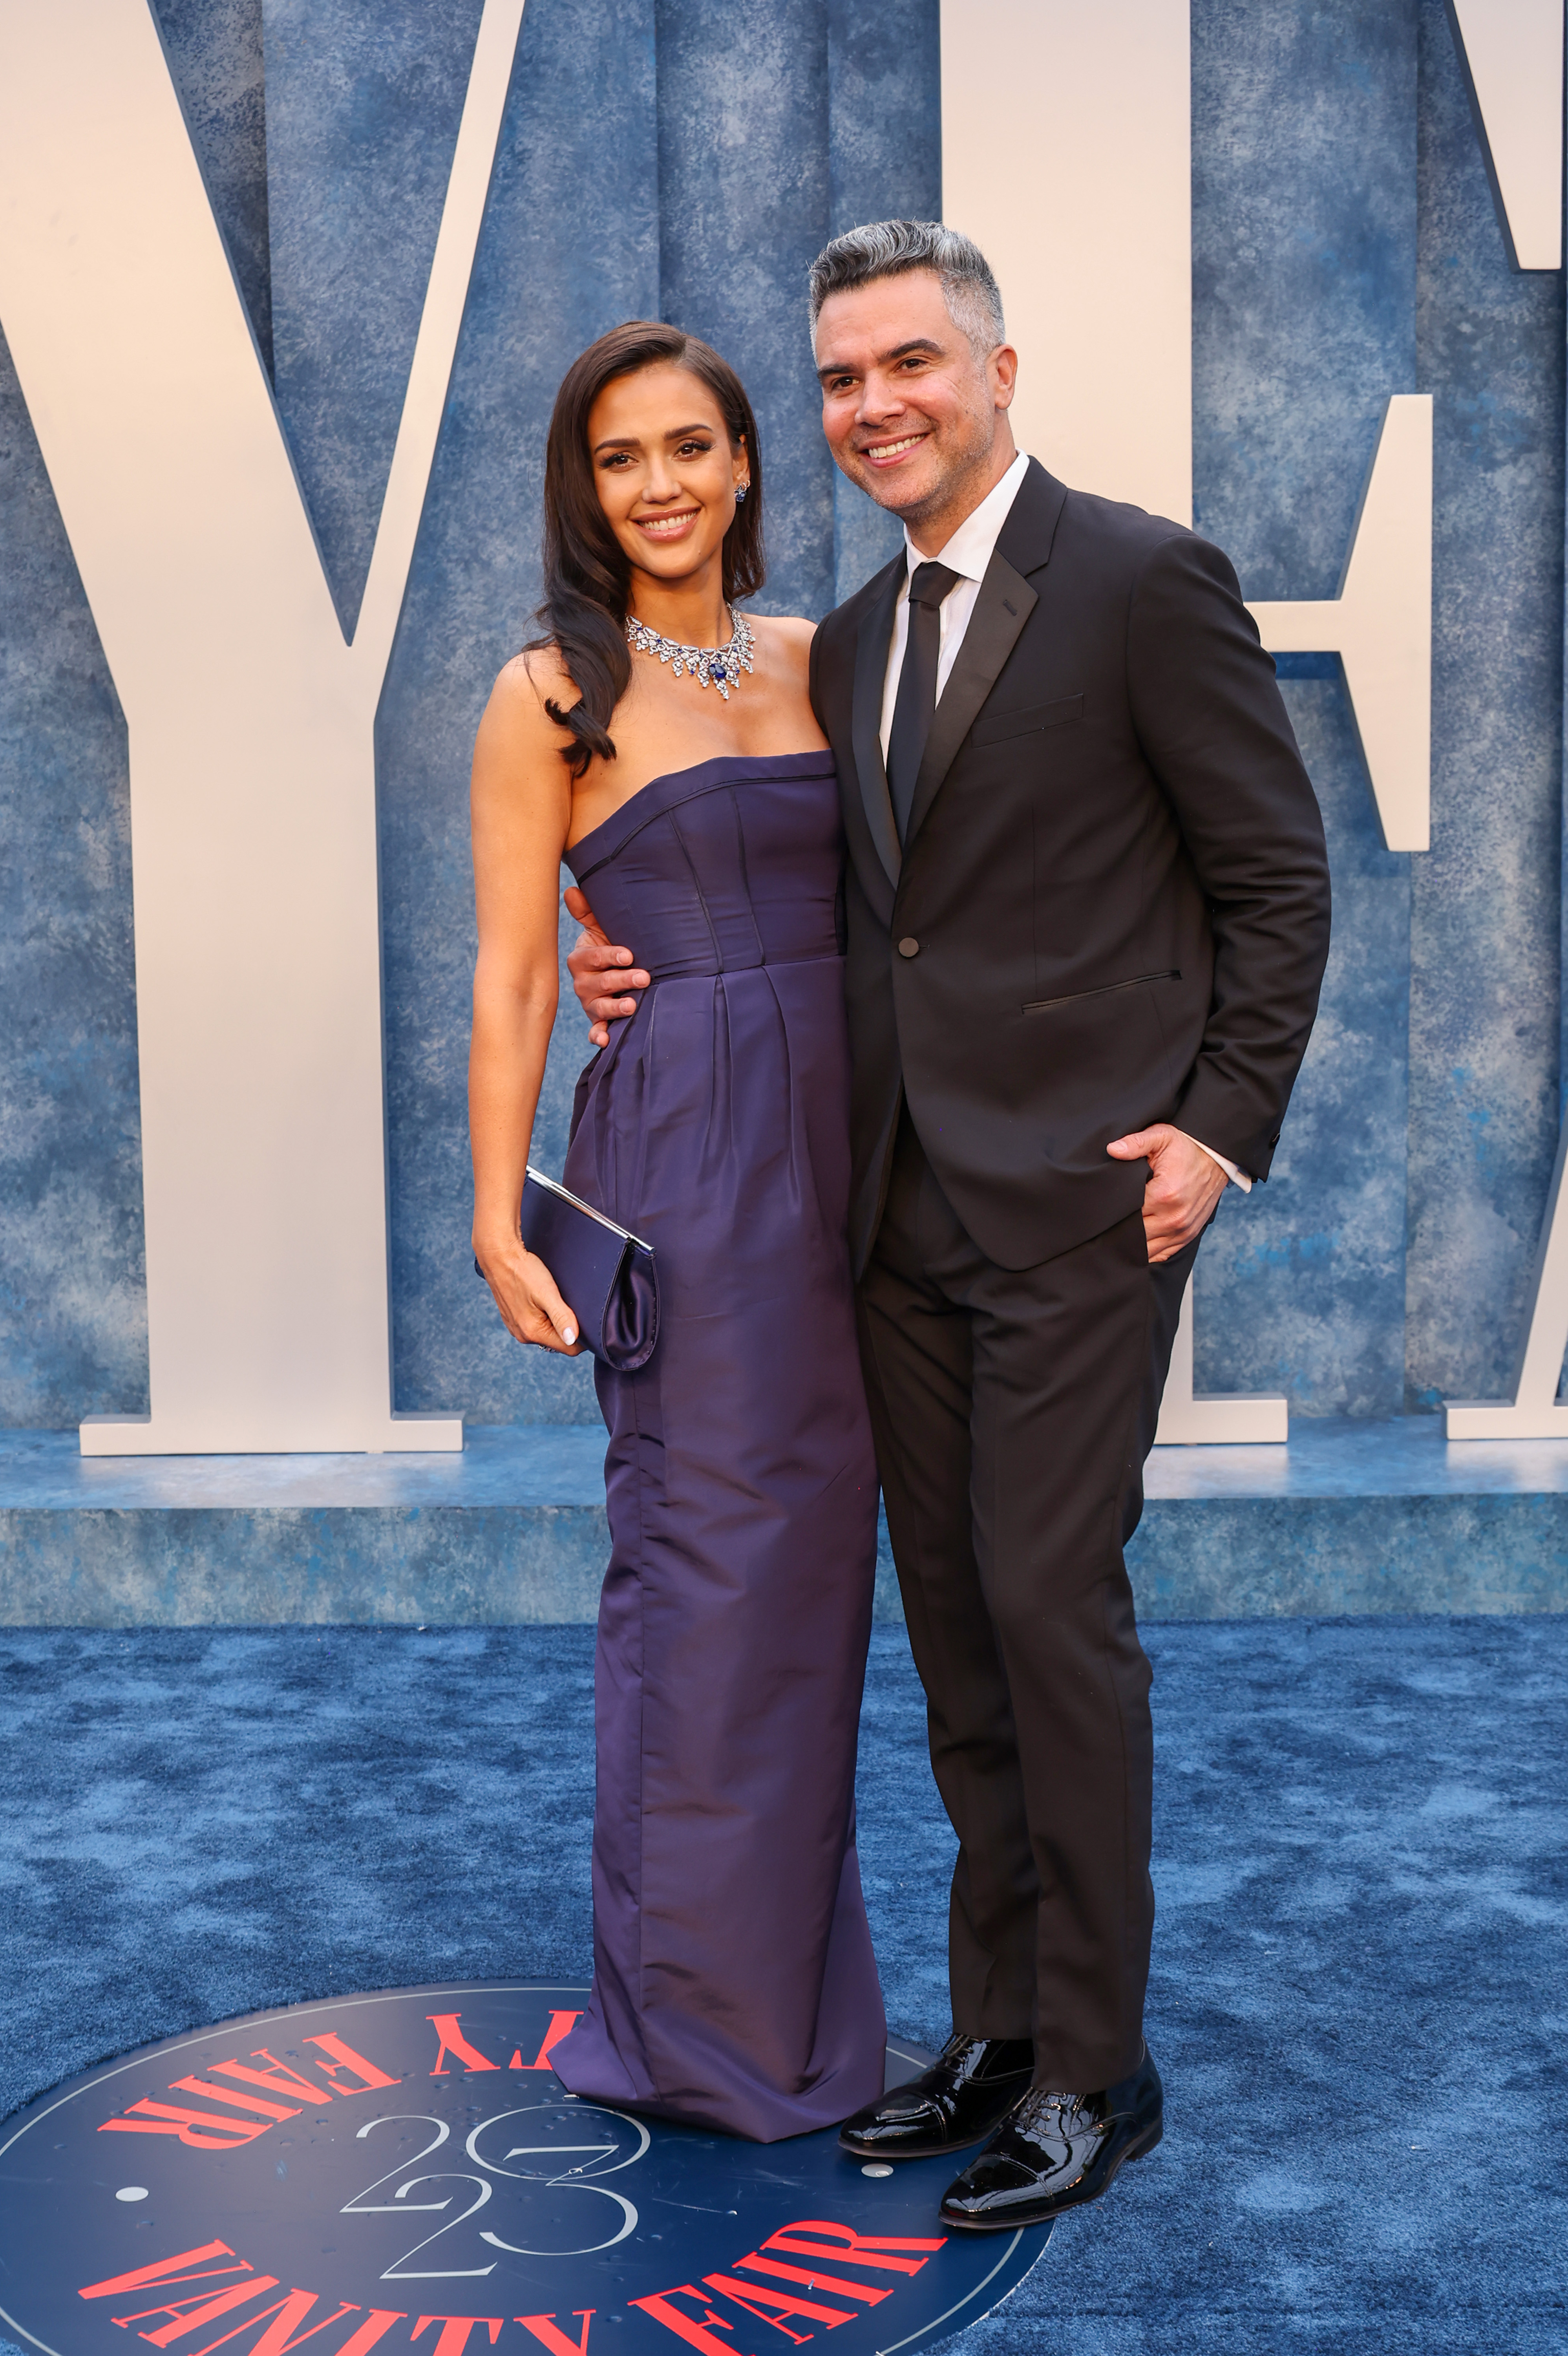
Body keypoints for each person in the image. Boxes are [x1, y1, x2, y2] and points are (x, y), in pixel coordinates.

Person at [568, 223, 1332, 2226]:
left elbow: (1275, 879)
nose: (872, 406)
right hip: (889, 1213)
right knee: (962, 1644)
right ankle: (995, 2032)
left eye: (908, 362)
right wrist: (609, 948)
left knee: (1052, 1619)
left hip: (1088, 1211)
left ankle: (1098, 2070)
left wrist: (1214, 1132)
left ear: (997, 371)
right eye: (837, 379)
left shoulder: (1144, 580)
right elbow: (818, 898)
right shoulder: (842, 633)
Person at [468, 320, 886, 2141]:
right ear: (586, 484)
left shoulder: (829, 658)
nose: (662, 487)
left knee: (817, 1588)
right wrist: (496, 1224)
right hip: (691, 1163)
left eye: (692, 447)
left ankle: (799, 2012)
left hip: (864, 1148)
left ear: (744, 464)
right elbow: (508, 980)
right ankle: (691, 2031)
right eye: (623, 457)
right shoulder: (544, 692)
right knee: (710, 1579)